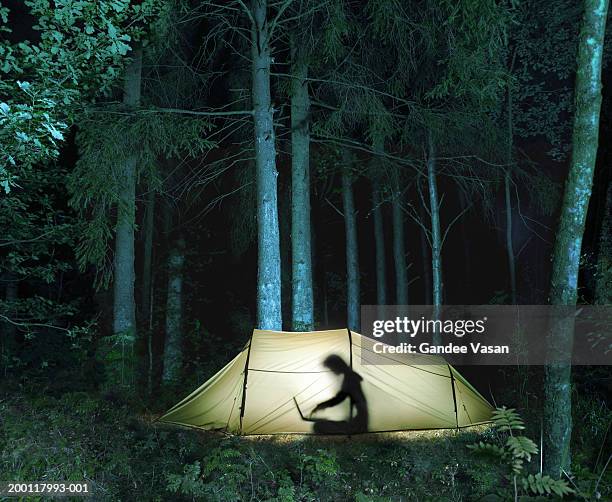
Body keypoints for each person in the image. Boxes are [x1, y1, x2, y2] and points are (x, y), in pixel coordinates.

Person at [310, 354, 368, 434]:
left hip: (358, 425)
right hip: (358, 421)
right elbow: (341, 397)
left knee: (318, 426)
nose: (332, 371)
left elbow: (339, 398)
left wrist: (321, 406)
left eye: (331, 368)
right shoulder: (350, 376)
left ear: (337, 366)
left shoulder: (350, 378)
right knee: (320, 425)